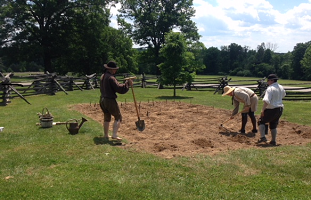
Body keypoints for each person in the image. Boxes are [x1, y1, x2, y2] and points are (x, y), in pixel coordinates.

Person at [99, 61, 133, 140]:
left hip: (102, 99)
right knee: (118, 117)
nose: (115, 71)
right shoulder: (111, 78)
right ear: (111, 69)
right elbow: (119, 89)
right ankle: (114, 135)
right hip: (109, 100)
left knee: (107, 117)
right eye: (114, 69)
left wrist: (126, 83)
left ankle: (106, 135)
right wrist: (127, 84)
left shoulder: (103, 76)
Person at [257, 74, 286, 145]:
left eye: (268, 81)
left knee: (261, 121)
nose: (267, 82)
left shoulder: (270, 88)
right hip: (279, 109)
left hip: (271, 109)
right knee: (273, 124)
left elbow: (266, 100)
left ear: (272, 80)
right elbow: (284, 95)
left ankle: (262, 137)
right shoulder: (281, 87)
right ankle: (273, 141)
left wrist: (262, 110)